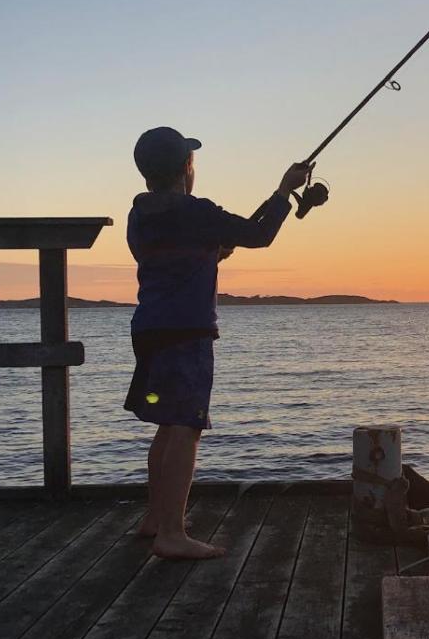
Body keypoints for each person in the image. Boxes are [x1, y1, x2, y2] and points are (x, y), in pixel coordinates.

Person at [124, 126, 310, 560]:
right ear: (186, 168)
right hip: (186, 331)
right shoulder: (197, 212)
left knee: (166, 422)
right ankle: (172, 534)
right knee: (185, 426)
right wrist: (284, 190)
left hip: (148, 329)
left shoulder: (139, 215)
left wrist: (211, 250)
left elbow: (177, 252)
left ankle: (155, 518)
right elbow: (258, 235)